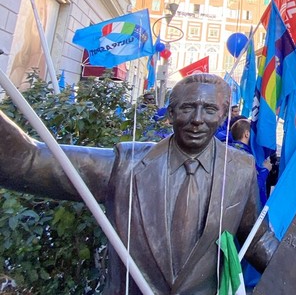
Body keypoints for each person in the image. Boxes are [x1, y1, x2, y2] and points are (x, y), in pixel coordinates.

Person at [0, 74, 280, 295]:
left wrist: (295, 272)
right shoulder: (126, 164)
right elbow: (27, 161)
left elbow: (256, 237)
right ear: (170, 114)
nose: (197, 119)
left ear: (222, 114)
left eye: (208, 109)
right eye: (187, 108)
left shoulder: (240, 170)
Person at [230, 119, 270, 206]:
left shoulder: (229, 151)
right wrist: (265, 171)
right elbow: (251, 188)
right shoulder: (245, 157)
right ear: (247, 134)